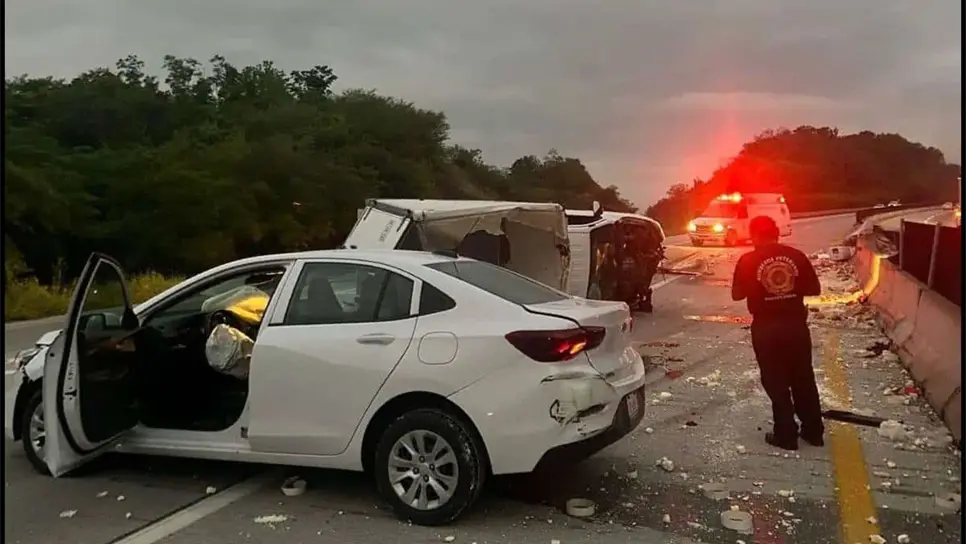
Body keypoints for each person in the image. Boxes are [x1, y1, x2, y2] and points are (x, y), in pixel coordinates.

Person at [731, 216, 824, 451]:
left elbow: (736, 295)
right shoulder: (797, 256)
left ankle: (786, 433)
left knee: (775, 380)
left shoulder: (748, 260)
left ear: (754, 235)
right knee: (803, 377)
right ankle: (814, 432)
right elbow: (814, 289)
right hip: (795, 325)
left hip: (766, 327)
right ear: (777, 233)